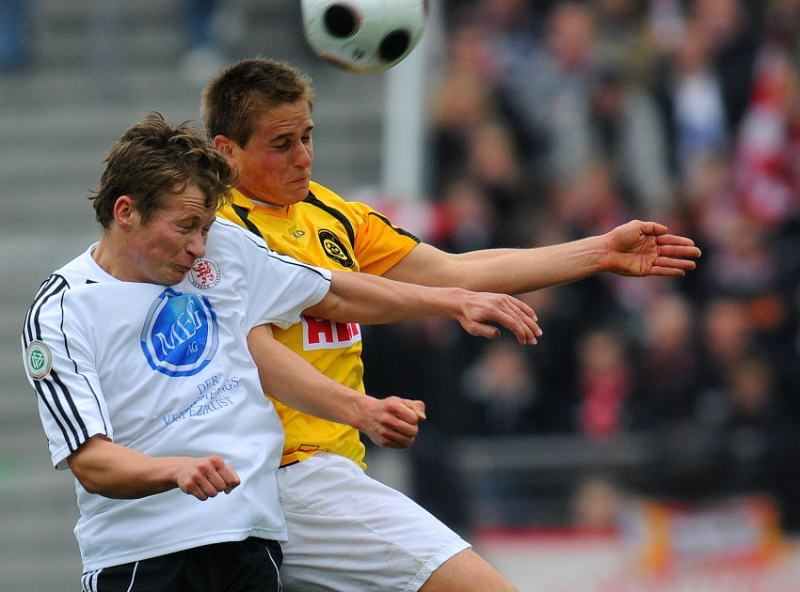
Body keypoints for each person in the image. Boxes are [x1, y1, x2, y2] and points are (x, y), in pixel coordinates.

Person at [202, 57, 702, 592]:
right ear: (226, 151)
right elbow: (266, 344)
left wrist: (600, 251)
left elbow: (456, 270)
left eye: (307, 137)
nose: (303, 157)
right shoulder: (215, 232)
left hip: (327, 472)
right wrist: (363, 405)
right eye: (282, 144)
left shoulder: (330, 211)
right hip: (289, 473)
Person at [20, 112, 542, 591]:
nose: (199, 246)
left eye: (204, 228)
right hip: (148, 555)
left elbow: (332, 291)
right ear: (126, 212)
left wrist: (450, 301)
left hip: (251, 539)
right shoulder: (62, 310)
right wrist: (174, 470)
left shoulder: (226, 248)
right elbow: (91, 462)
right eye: (185, 227)